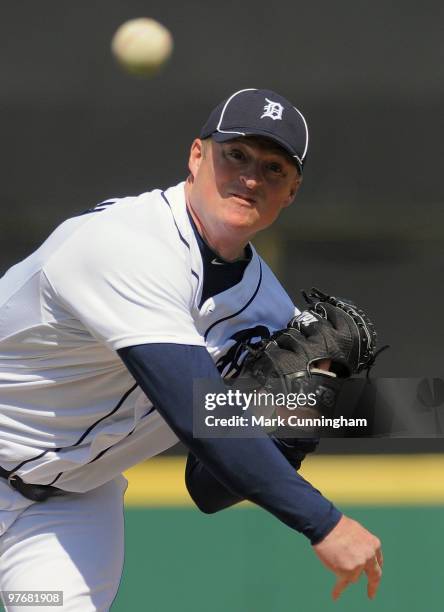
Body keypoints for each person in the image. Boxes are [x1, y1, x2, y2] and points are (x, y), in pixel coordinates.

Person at [0, 87, 382, 611]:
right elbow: (192, 406)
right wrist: (324, 523)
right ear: (197, 155)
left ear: (292, 192)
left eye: (274, 169)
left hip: (69, 508)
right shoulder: (124, 243)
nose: (251, 178)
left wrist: (298, 419)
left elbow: (208, 487)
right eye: (237, 155)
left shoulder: (268, 310)